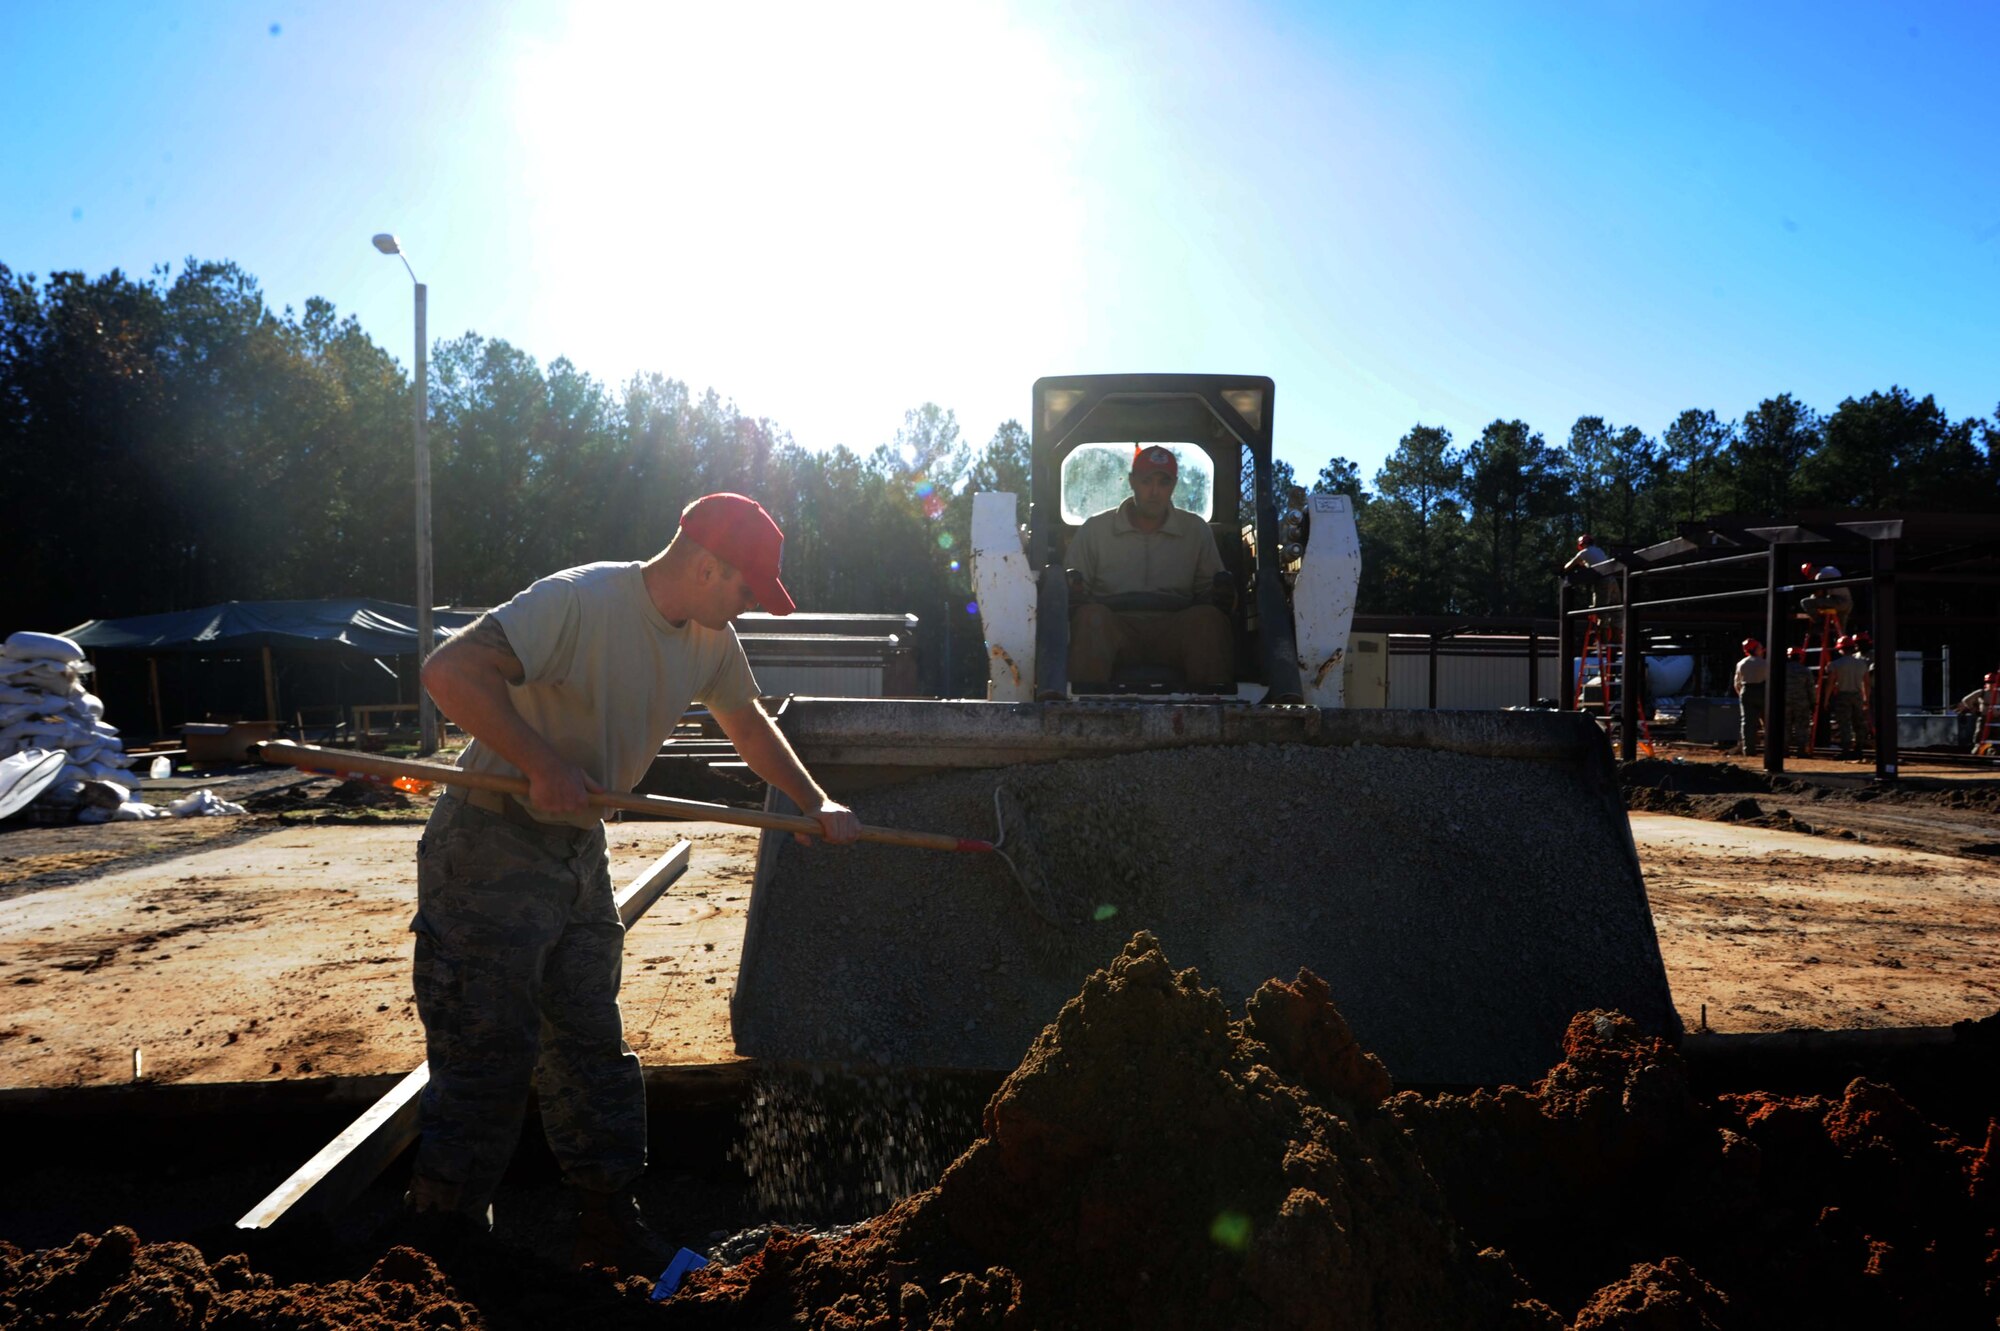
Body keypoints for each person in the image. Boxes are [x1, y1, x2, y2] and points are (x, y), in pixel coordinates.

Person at [408, 492, 861, 1270]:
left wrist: (813, 799)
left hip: (574, 853)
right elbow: (449, 672)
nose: (750, 608)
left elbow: (747, 720)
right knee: (488, 1052)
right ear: (707, 562)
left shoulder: (708, 636)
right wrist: (541, 761)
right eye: (748, 590)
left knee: (591, 1042)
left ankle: (606, 1221)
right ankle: (444, 1247)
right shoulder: (578, 602)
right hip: (488, 844)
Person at [1065, 444, 1234, 687]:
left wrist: (1224, 595)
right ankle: (1082, 717)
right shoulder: (1095, 529)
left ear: (1174, 485)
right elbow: (1073, 591)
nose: (1154, 491)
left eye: (1163, 483)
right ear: (1132, 481)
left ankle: (1213, 715)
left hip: (1174, 630)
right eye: (1146, 481)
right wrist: (1074, 592)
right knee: (1090, 618)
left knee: (1209, 621)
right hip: (1115, 628)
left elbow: (1211, 591)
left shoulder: (1195, 530)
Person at [1827, 634, 1873, 760]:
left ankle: (1846, 750)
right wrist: (1866, 699)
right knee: (1858, 723)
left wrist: (1826, 700)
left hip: (1843, 695)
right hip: (1857, 695)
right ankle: (1859, 749)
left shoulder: (1835, 664)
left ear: (1840, 649)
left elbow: (1831, 684)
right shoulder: (1862, 663)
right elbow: (1866, 683)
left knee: (1844, 723)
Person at [1733, 638, 1768, 755]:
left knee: (1747, 722)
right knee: (1768, 721)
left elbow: (1736, 683)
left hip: (1746, 691)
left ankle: (1748, 750)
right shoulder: (1765, 663)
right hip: (1763, 691)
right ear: (1756, 649)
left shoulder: (1741, 663)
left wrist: (1742, 695)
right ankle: (1771, 749)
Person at [1799, 564, 1853, 629]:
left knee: (1805, 602)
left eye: (1809, 573)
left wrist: (1812, 597)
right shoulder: (1831, 568)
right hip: (1848, 603)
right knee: (1840, 633)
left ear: (1812, 569)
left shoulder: (1820, 575)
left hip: (1838, 602)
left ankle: (1820, 624)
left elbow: (1819, 594)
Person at [1784, 646, 1814, 756]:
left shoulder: (1782, 669)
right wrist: (1813, 702)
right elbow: (1810, 688)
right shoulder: (1805, 671)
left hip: (1785, 703)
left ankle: (1784, 750)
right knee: (1802, 727)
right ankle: (1801, 751)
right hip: (1802, 703)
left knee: (1785, 727)